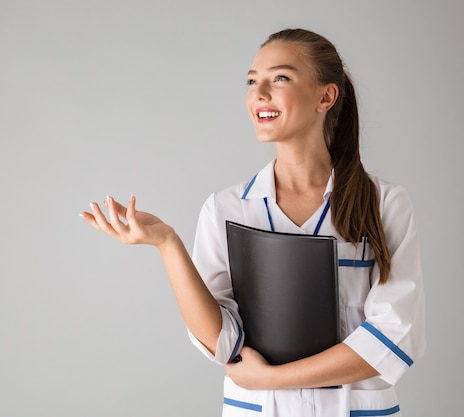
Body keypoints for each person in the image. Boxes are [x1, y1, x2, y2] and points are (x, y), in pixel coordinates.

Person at [80, 28, 425, 417]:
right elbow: (223, 343)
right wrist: (168, 244)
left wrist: (272, 379)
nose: (258, 93)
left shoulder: (384, 204)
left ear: (326, 96)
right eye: (251, 80)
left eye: (280, 78)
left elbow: (392, 338)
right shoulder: (226, 209)